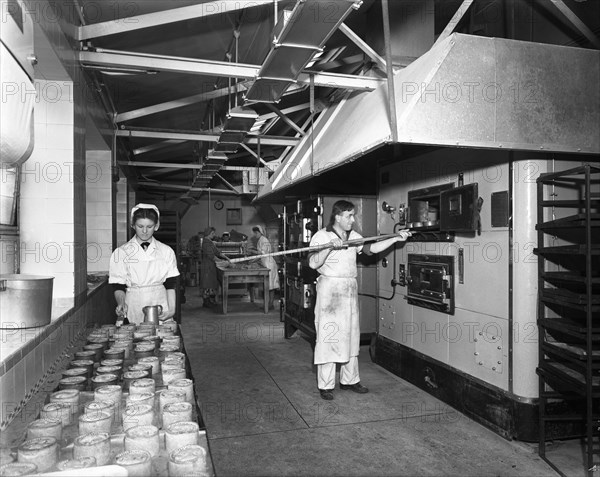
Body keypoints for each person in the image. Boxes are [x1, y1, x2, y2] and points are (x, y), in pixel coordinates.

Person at [308, 200, 411, 401]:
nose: (353, 219)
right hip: (330, 291)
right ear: (337, 216)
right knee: (330, 337)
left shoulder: (354, 237)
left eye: (353, 215)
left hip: (348, 289)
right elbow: (313, 263)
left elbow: (371, 249)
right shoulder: (322, 236)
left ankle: (350, 380)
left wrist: (396, 239)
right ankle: (326, 385)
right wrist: (328, 248)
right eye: (349, 215)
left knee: (351, 335)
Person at [109, 203, 180, 324]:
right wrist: (121, 303)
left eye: (150, 226)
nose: (145, 231)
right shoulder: (121, 252)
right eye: (140, 226)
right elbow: (118, 285)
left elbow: (170, 284)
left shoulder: (166, 251)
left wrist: (172, 309)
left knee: (163, 339)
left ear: (156, 226)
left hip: (160, 304)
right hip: (133, 305)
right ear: (133, 225)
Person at [248, 225, 280, 310]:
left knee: (271, 286)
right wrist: (252, 260)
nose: (255, 235)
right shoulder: (260, 240)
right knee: (269, 286)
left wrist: (252, 251)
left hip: (269, 264)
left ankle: (270, 304)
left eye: (256, 233)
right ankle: (269, 304)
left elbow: (262, 253)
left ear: (259, 232)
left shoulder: (264, 240)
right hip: (266, 263)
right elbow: (260, 255)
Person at [199, 226, 231, 307]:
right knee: (207, 283)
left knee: (212, 283)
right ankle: (206, 302)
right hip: (207, 265)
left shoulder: (210, 242)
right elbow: (211, 256)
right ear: (208, 234)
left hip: (212, 265)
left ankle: (210, 300)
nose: (214, 234)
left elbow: (217, 252)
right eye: (212, 233)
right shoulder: (205, 243)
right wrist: (221, 261)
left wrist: (226, 258)